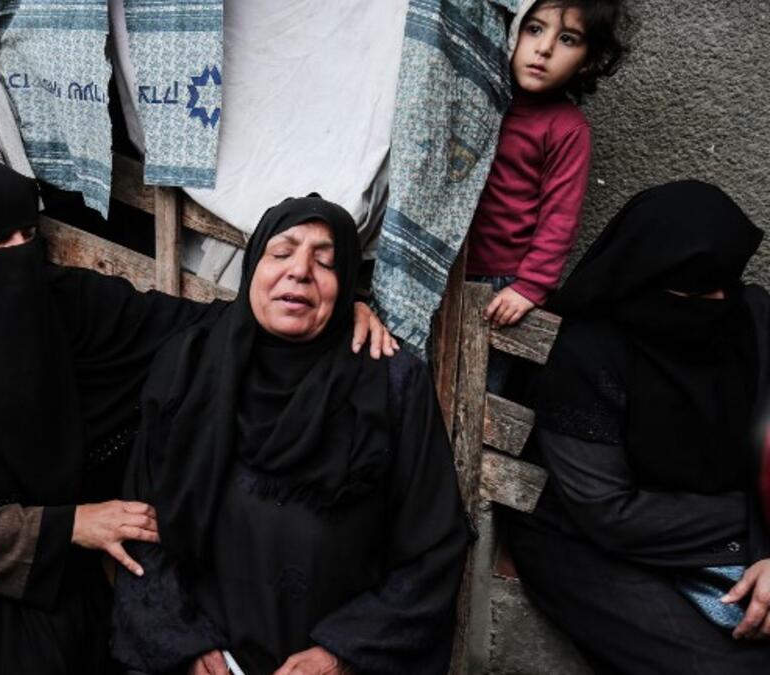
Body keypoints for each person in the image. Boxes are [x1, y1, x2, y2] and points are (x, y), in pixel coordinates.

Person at [0, 157, 391, 674]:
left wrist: (329, 306)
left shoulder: (66, 305)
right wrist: (68, 525)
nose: (18, 256)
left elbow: (212, 327)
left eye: (28, 235)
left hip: (53, 600)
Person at [112, 195, 470, 675]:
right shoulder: (190, 367)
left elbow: (433, 548)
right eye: (281, 252)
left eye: (325, 262)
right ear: (252, 268)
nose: (299, 271)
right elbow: (142, 523)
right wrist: (185, 646)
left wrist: (342, 654)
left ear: (346, 286)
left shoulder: (392, 385)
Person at [504, 181, 770, 673]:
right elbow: (609, 513)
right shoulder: (589, 353)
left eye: (726, 284)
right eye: (697, 289)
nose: (717, 301)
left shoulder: (749, 320)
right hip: (588, 546)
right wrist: (751, 519)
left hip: (731, 537)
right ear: (646, 277)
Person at [465, 0, 628, 393]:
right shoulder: (478, 97)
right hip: (444, 261)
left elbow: (560, 218)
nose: (544, 48)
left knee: (477, 389)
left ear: (587, 62)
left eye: (567, 39)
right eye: (534, 29)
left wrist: (529, 287)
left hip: (502, 283)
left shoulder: (566, 128)